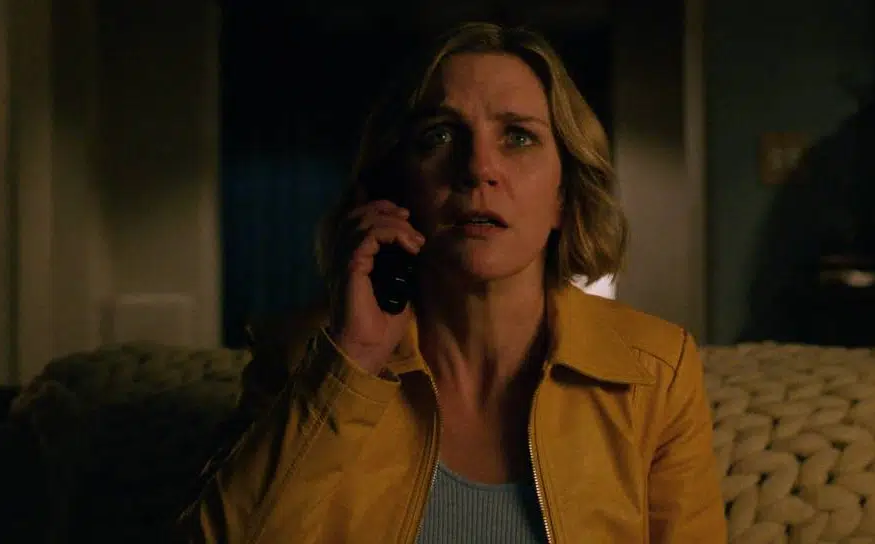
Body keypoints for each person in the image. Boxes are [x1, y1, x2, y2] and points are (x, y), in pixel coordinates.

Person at [178, 21, 726, 543]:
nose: (477, 168)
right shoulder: (306, 356)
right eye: (439, 135)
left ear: (564, 195)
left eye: (518, 137)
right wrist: (352, 362)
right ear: (394, 187)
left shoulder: (656, 372)